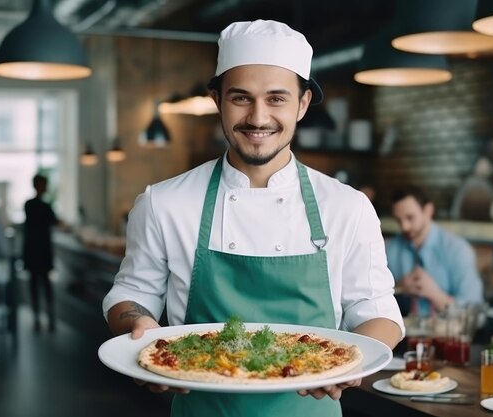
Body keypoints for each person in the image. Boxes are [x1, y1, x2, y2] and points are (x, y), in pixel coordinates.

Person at [103, 20, 404, 417]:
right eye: (241, 98)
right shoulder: (163, 203)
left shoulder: (348, 207)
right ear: (217, 99)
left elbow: (379, 310)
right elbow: (131, 295)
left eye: (276, 99)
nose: (258, 118)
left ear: (302, 103)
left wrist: (350, 363)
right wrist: (139, 329)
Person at [386, 185, 484, 317]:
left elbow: (476, 314)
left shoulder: (457, 250)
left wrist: (436, 295)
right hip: (403, 335)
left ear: (428, 211)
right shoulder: (390, 249)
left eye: (410, 217)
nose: (404, 227)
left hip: (446, 336)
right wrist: (398, 288)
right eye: (399, 220)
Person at [23, 174, 59, 332]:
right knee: (45, 284)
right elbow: (55, 222)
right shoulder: (45, 206)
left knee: (34, 285)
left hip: (31, 249)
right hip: (43, 250)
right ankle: (49, 317)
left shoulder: (28, 204)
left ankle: (37, 317)